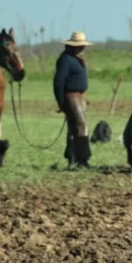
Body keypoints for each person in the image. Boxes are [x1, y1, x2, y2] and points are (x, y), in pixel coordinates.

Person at [53, 31, 93, 169]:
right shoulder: (65, 59)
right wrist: (61, 102)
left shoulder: (77, 58)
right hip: (71, 96)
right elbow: (59, 82)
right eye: (80, 45)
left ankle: (72, 158)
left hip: (80, 96)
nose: (82, 48)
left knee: (73, 129)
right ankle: (82, 159)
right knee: (82, 126)